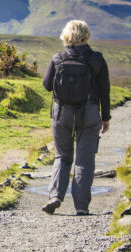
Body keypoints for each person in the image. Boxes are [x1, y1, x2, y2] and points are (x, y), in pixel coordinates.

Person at [41, 20, 110, 216]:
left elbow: (47, 85)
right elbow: (104, 91)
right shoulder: (97, 59)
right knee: (84, 159)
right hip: (89, 113)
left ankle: (55, 196)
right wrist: (105, 117)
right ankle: (81, 206)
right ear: (86, 35)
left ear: (66, 36)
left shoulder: (58, 58)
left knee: (62, 156)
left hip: (62, 113)